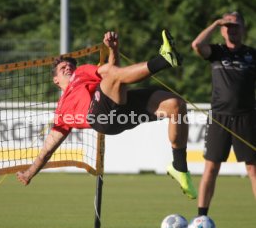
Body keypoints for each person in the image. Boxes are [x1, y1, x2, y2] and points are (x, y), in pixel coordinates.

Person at [17, 30, 197, 199]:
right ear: (55, 80)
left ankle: (180, 168)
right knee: (111, 75)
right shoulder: (61, 114)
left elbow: (113, 71)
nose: (68, 68)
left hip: (121, 114)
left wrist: (113, 49)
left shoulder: (81, 72)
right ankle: (163, 60)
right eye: (63, 67)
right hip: (100, 119)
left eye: (70, 65)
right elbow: (47, 150)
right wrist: (29, 173)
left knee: (176, 106)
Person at [192, 11, 256, 216]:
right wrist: (215, 22)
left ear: (243, 29)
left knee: (253, 170)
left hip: (246, 118)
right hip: (219, 118)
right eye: (227, 26)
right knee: (211, 168)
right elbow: (196, 45)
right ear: (221, 30)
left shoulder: (252, 54)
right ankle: (202, 217)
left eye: (236, 26)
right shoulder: (217, 52)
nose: (232, 30)